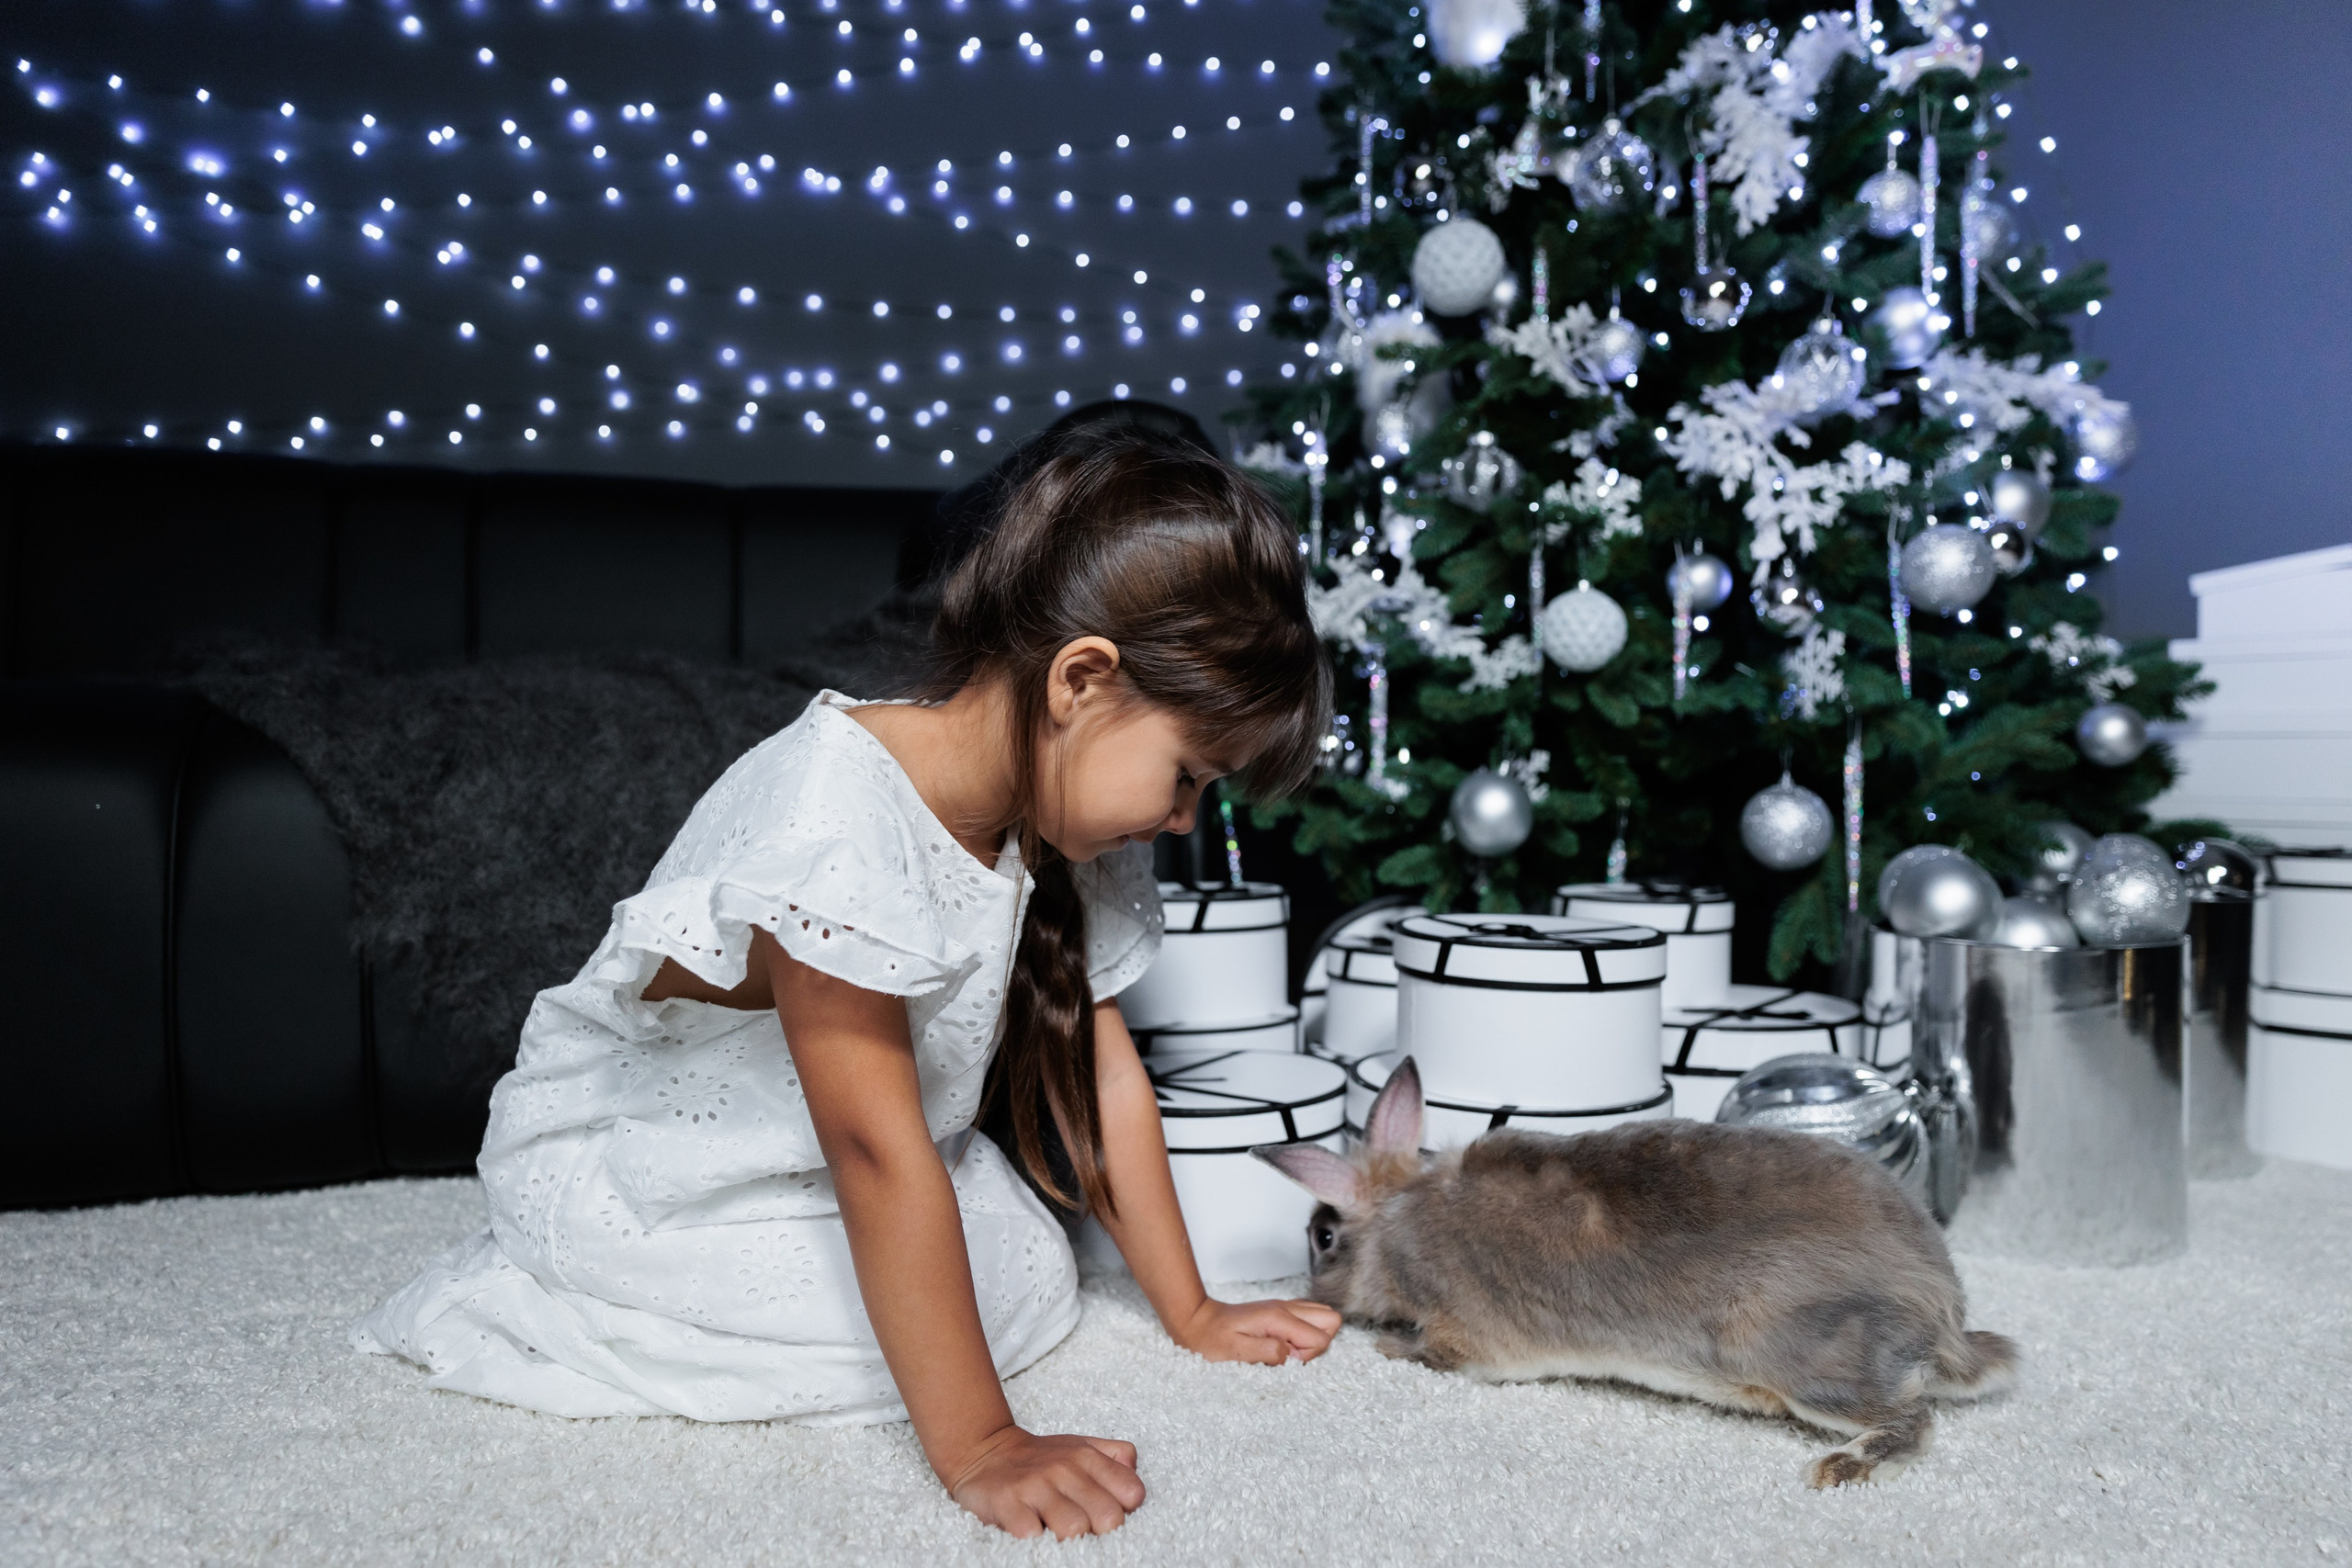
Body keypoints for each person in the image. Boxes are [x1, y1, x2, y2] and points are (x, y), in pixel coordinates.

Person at [351, 426, 1341, 1540]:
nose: (1182, 821)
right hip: (673, 1169)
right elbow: (874, 1151)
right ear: (1081, 680)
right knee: (867, 1312)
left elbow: (1105, 1086)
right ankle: (608, 1291)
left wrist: (1193, 1311)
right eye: (1186, 777)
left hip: (852, 1154)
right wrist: (982, 1444)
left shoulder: (1059, 824)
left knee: (1027, 1266)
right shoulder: (836, 814)